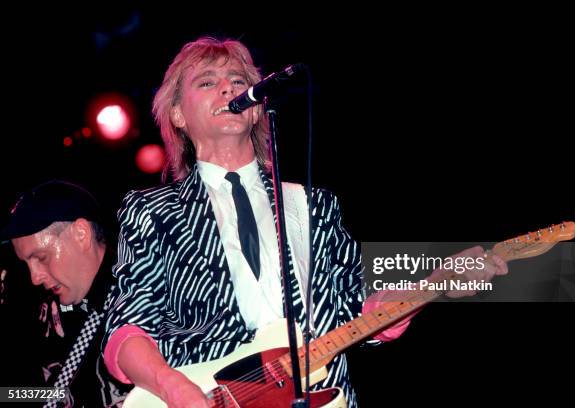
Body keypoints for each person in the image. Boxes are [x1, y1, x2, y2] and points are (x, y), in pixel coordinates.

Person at [101, 36, 508, 408]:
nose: (228, 88)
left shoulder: (313, 205)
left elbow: (358, 310)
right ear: (177, 114)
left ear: (258, 105)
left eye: (238, 80)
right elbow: (127, 327)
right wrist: (175, 389)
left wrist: (434, 284)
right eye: (207, 82)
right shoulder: (151, 210)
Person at [0, 180, 132, 407]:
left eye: (41, 258)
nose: (35, 277)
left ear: (81, 234)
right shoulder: (40, 308)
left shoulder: (143, 297)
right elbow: (33, 394)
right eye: (26, 264)